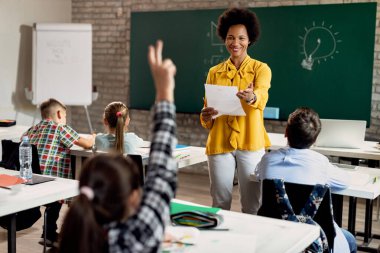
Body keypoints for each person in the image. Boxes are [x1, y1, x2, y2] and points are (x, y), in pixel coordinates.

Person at [58, 40, 177, 253]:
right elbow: (161, 174)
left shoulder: (73, 237)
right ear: (133, 196)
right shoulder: (135, 238)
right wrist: (164, 91)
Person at [254, 107, 357, 253]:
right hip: (315, 239)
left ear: (286, 133)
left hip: (273, 235)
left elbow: (257, 173)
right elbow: (345, 182)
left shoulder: (268, 160)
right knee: (351, 240)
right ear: (314, 140)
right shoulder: (321, 164)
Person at [200, 7, 271, 214]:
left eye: (241, 38)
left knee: (252, 205)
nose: (235, 43)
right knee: (220, 202)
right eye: (230, 37)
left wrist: (253, 97)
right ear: (224, 39)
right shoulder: (214, 72)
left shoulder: (261, 69)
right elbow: (207, 112)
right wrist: (205, 115)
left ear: (250, 40)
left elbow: (262, 94)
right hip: (220, 141)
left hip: (250, 142)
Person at [22, 98, 95, 247]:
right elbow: (87, 144)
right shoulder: (60, 128)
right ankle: (49, 233)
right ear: (60, 114)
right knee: (56, 200)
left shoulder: (32, 129)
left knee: (53, 200)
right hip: (51, 184)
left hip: (32, 181)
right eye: (66, 117)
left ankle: (48, 234)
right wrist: (93, 137)